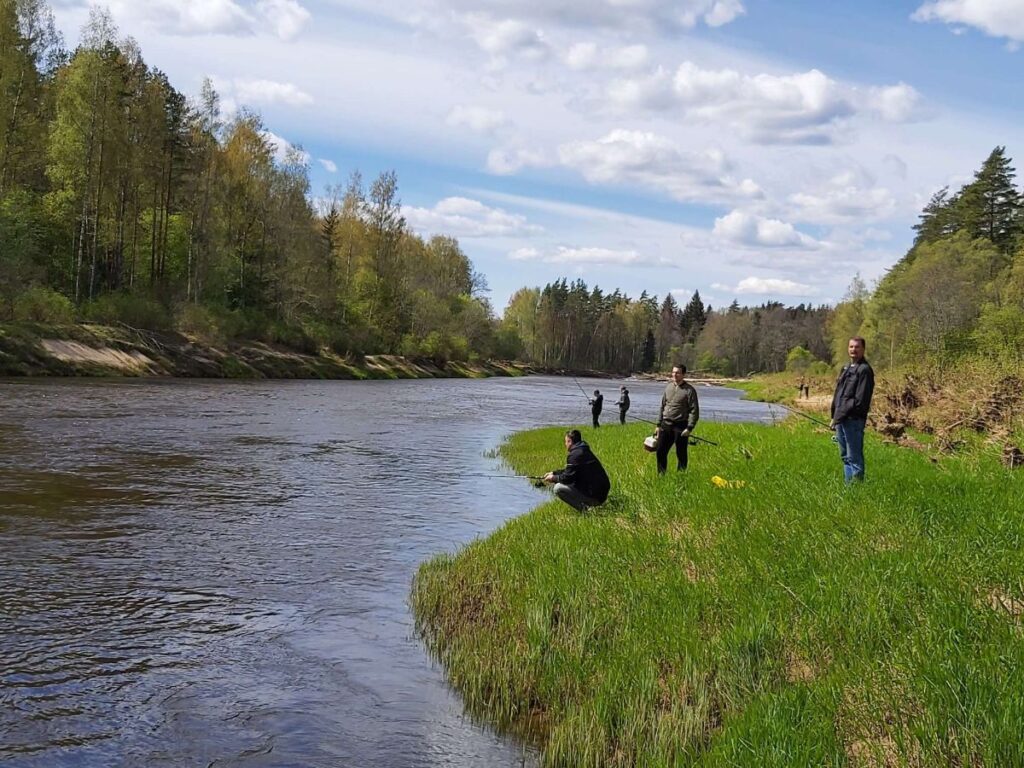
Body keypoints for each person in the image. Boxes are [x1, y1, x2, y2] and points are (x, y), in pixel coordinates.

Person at [830, 337, 875, 483]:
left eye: (857, 347)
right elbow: (839, 394)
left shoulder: (865, 371)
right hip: (841, 420)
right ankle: (849, 488)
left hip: (853, 421)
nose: (853, 350)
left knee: (854, 457)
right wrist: (834, 416)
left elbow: (860, 401)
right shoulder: (846, 368)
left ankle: (857, 489)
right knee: (845, 457)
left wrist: (841, 415)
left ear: (863, 349)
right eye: (851, 347)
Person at [543, 429, 610, 511]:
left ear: (570, 441)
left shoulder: (575, 455)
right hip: (601, 494)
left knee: (558, 488)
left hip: (595, 497)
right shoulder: (583, 450)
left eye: (566, 442)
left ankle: (585, 511)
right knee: (565, 483)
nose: (565, 444)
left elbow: (567, 478)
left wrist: (553, 478)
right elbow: (571, 471)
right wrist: (554, 473)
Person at [655, 363, 699, 474]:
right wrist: (658, 425)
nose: (675, 374)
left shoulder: (689, 390)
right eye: (673, 372)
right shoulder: (668, 387)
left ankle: (681, 476)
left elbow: (694, 411)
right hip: (665, 425)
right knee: (660, 451)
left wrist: (689, 428)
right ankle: (661, 476)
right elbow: (662, 406)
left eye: (678, 373)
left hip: (680, 426)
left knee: (681, 453)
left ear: (683, 375)